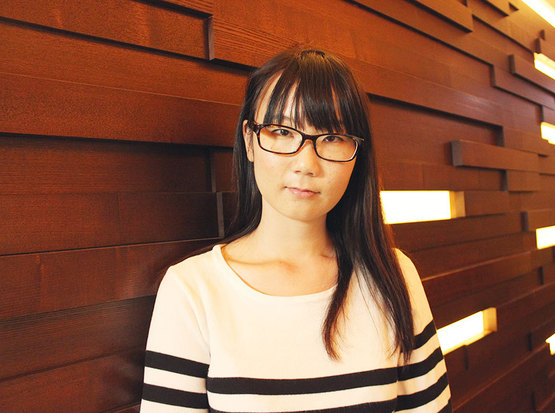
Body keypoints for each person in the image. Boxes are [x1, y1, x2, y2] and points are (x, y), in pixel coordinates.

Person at [141, 48, 452, 412]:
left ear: (357, 154)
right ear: (249, 140)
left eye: (332, 137)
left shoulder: (393, 275)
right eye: (281, 131)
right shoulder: (192, 290)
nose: (306, 164)